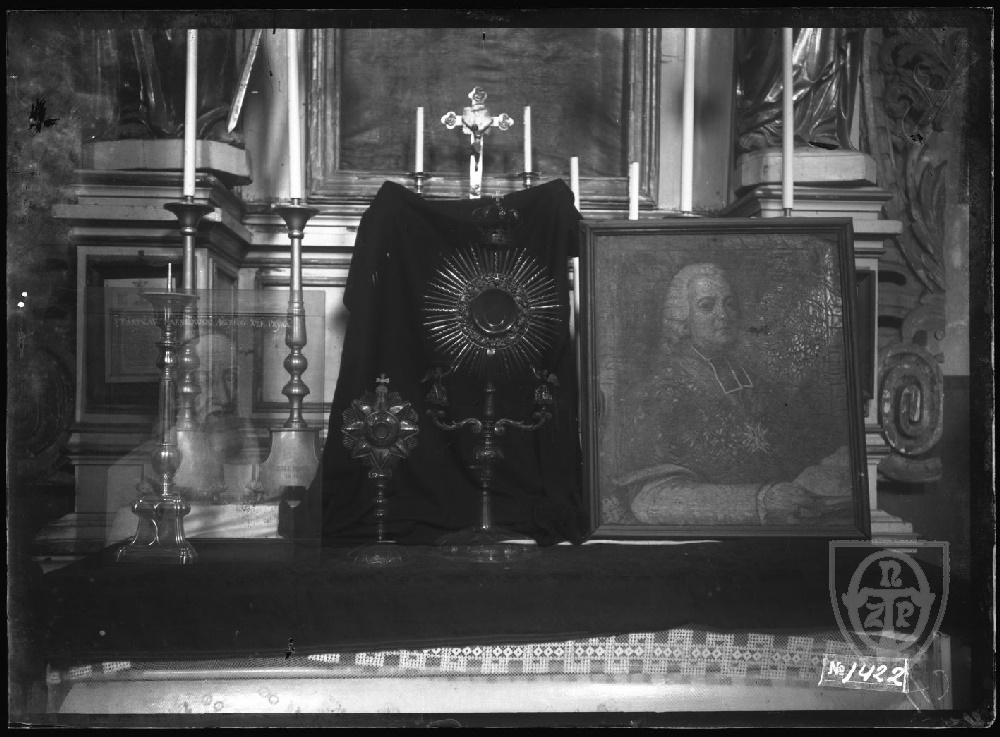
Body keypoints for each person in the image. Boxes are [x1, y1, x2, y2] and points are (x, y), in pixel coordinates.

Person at [612, 263, 853, 527]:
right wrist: (759, 501)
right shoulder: (660, 393)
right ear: (683, 320)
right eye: (707, 306)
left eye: (729, 304)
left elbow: (800, 451)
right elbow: (651, 499)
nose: (723, 314)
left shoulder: (757, 382)